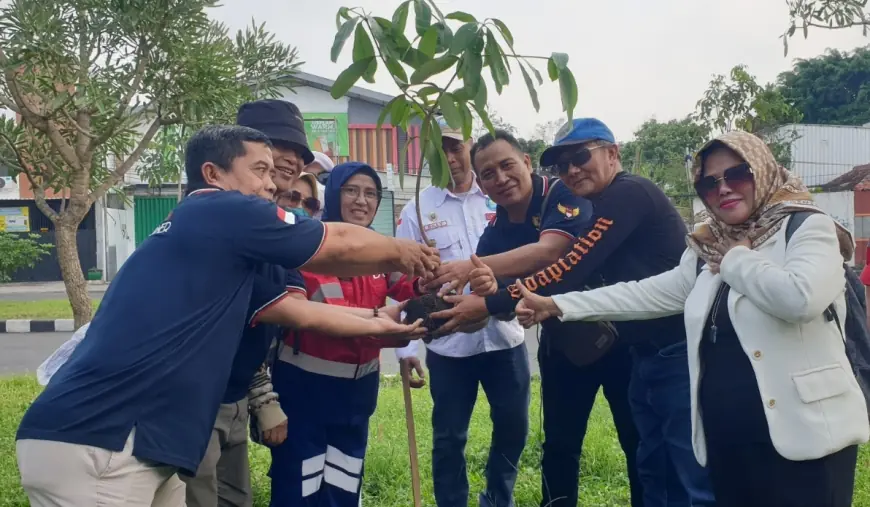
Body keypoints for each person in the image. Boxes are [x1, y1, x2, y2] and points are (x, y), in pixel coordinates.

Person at [15, 125, 438, 507]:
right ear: (213, 174)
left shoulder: (222, 251)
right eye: (260, 170)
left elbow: (301, 312)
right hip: (101, 441)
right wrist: (407, 251)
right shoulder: (218, 210)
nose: (271, 185)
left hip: (145, 445)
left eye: (275, 173)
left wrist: (379, 323)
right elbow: (338, 243)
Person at [514, 129, 870, 507]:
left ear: (763, 170)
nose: (724, 189)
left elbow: (800, 298)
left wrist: (737, 259)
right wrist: (557, 305)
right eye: (709, 182)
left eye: (737, 174)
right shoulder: (709, 245)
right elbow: (647, 292)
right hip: (729, 436)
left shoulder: (805, 227)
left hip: (805, 435)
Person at [433, 119, 714, 507]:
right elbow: (506, 295)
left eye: (580, 157)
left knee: (682, 466)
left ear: (613, 154)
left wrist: (491, 298)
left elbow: (567, 262)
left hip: (667, 349)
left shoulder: (623, 194)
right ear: (480, 183)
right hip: (622, 347)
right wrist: (481, 300)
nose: (571, 170)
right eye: (563, 164)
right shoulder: (501, 230)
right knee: (639, 458)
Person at [268, 162, 425, 506]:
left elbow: (411, 290)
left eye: (370, 193)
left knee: (343, 484)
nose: (361, 201)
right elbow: (306, 316)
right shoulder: (306, 248)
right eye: (351, 191)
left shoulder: (383, 254)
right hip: (304, 392)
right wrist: (378, 321)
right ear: (335, 195)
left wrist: (439, 277)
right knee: (300, 486)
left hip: (357, 397)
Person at [394, 123, 532, 507]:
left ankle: (497, 499)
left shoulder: (500, 197)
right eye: (439, 151)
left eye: (456, 147)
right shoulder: (418, 209)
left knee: (513, 428)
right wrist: (406, 345)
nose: (450, 158)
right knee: (449, 436)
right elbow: (403, 283)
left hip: (505, 339)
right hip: (451, 345)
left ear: (471, 145)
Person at [237, 99, 312, 195]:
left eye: (301, 153)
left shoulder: (282, 210)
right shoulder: (218, 207)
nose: (293, 159)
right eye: (283, 145)